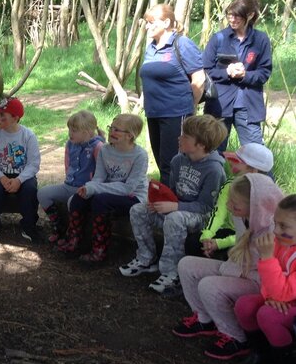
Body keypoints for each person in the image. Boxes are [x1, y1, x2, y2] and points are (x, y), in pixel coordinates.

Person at [172, 174, 283, 360]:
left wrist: (229, 268)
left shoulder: (273, 230)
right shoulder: (242, 216)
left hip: (258, 282)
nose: (229, 205)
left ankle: (237, 338)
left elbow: (263, 271)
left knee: (209, 286)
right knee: (186, 265)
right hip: (237, 269)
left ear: (255, 206)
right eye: (230, 200)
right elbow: (239, 252)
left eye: (235, 203)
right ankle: (204, 319)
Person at [119, 114, 227, 295]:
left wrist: (175, 207)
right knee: (139, 209)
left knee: (175, 219)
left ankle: (172, 273)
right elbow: (173, 193)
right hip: (177, 211)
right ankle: (146, 259)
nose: (179, 138)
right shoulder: (178, 160)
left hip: (201, 217)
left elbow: (206, 207)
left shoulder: (214, 169)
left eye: (185, 136)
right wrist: (160, 201)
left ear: (200, 145)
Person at [231, 194, 296, 364]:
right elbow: (267, 281)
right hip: (278, 299)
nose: (276, 231)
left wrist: (267, 258)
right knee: (244, 306)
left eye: (284, 226)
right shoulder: (281, 244)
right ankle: (261, 354)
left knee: (267, 316)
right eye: (275, 223)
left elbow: (285, 290)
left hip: (290, 303)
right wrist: (269, 297)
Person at [60, 114, 148, 262]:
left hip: (134, 197)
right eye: (111, 128)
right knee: (79, 197)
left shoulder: (140, 155)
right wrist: (88, 188)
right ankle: (75, 240)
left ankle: (100, 250)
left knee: (100, 200)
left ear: (130, 135)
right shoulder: (105, 150)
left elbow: (128, 188)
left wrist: (96, 188)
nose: (111, 132)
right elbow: (98, 178)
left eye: (117, 130)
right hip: (108, 193)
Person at [140, 3, 206, 186]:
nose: (147, 26)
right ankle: (164, 202)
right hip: (153, 113)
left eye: (151, 22)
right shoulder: (151, 48)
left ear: (166, 22)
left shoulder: (182, 44)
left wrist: (190, 106)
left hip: (176, 113)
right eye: (146, 22)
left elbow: (199, 79)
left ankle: (173, 205)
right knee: (162, 161)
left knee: (173, 163)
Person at [202, 0, 272, 152]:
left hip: (248, 107)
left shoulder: (261, 40)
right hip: (219, 105)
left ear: (250, 15)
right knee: (212, 154)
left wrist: (245, 75)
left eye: (237, 16)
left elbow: (264, 72)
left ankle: (259, 178)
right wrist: (227, 72)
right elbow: (205, 70)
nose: (232, 19)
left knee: (256, 155)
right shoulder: (218, 39)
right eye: (229, 15)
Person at [184, 143, 274, 260]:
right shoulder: (230, 184)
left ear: (253, 170)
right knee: (193, 242)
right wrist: (207, 236)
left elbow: (251, 234)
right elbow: (219, 212)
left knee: (230, 254)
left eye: (238, 161)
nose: (232, 163)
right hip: (231, 232)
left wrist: (220, 243)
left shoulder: (266, 194)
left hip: (250, 241)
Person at [0, 97, 41, 244]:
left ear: (15, 118)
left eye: (2, 116)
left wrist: (19, 180)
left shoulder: (28, 136)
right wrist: (2, 178)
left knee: (30, 190)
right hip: (1, 175)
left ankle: (29, 226)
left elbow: (34, 164)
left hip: (24, 176)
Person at [37, 110, 104, 245]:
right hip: (68, 185)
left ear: (87, 132)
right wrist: (69, 178)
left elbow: (101, 172)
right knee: (43, 193)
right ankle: (59, 226)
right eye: (69, 130)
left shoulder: (98, 147)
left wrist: (90, 187)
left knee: (72, 202)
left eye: (74, 131)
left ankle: (73, 235)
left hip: (85, 190)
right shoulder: (70, 144)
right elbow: (67, 164)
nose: (70, 133)